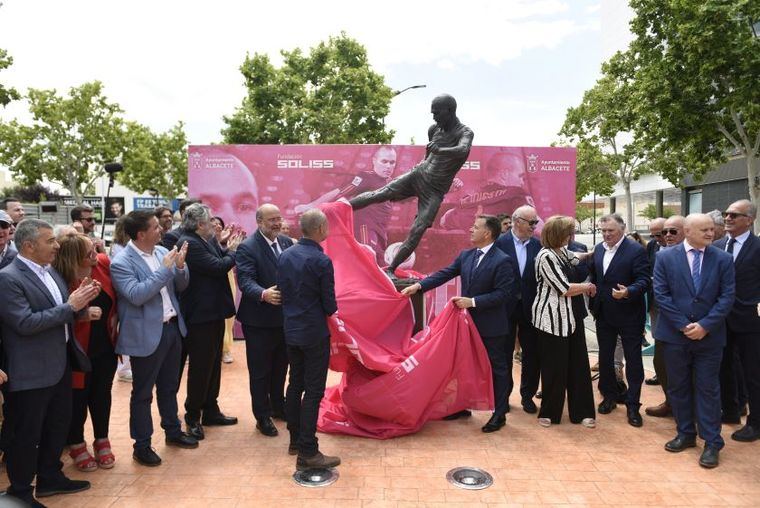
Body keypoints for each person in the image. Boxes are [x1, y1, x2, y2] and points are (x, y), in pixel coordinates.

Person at [0, 219, 100, 506]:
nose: (57, 245)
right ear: (29, 245)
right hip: (31, 371)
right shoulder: (9, 278)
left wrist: (80, 311)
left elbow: (58, 313)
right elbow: (25, 323)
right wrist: (72, 306)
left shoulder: (51, 272)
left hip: (59, 365)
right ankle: (20, 490)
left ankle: (50, 478)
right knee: (28, 433)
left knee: (57, 425)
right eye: (50, 241)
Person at [402, 215, 516, 432]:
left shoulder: (502, 260)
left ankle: (499, 414)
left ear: (487, 233)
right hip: (467, 326)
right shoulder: (466, 255)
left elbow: (504, 294)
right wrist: (419, 287)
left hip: (491, 326)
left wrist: (471, 302)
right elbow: (445, 273)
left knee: (497, 369)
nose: (470, 229)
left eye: (475, 227)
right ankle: (463, 405)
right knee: (464, 365)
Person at [350, 94, 474, 277]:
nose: (434, 117)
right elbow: (428, 156)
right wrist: (418, 173)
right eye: (432, 113)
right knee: (380, 193)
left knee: (418, 229)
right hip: (418, 174)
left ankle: (391, 269)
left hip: (434, 190)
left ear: (449, 111)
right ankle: (340, 208)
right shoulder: (434, 129)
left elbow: (462, 150)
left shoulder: (464, 133)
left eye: (437, 113)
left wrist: (441, 150)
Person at [111, 210, 199, 467]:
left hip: (172, 328)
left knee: (169, 387)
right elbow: (136, 295)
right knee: (142, 393)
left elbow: (180, 286)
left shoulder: (162, 252)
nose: (161, 230)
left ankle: (173, 431)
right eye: (155, 227)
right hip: (145, 335)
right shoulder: (122, 262)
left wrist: (180, 268)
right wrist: (165, 271)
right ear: (141, 234)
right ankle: (142, 445)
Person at [654, 213, 735, 468]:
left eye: (712, 229)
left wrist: (705, 326)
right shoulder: (664, 257)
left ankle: (712, 442)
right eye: (705, 230)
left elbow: (727, 296)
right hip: (675, 336)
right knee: (678, 387)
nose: (711, 233)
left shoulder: (723, 259)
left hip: (709, 338)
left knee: (708, 389)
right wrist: (683, 325)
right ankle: (686, 433)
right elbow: (661, 294)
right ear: (687, 231)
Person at [278, 208, 340, 470]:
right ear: (320, 229)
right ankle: (308, 451)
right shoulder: (321, 260)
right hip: (314, 332)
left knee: (295, 385)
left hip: (291, 329)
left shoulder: (285, 255)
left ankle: (295, 440)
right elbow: (329, 305)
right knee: (313, 391)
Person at [52, 233, 119, 472]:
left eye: (94, 248)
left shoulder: (103, 263)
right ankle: (77, 443)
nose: (95, 253)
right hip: (77, 350)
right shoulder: (60, 277)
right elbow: (55, 313)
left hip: (106, 346)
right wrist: (81, 315)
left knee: (102, 395)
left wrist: (117, 316)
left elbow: (117, 296)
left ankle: (102, 439)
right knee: (78, 399)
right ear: (73, 257)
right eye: (88, 252)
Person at [177, 204, 242, 441]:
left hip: (213, 312)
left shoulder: (206, 240)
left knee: (213, 364)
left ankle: (210, 409)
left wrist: (227, 251)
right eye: (209, 222)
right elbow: (218, 266)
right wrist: (233, 251)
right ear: (199, 224)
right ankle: (193, 415)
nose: (214, 225)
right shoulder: (190, 243)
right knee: (201, 367)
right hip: (200, 315)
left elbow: (221, 258)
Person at [531, 216, 596, 428]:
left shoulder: (561, 252)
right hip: (551, 320)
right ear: (559, 234)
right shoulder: (545, 257)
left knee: (579, 366)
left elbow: (576, 258)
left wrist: (595, 253)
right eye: (569, 233)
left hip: (572, 319)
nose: (572, 236)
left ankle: (583, 412)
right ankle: (549, 412)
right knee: (554, 367)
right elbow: (564, 288)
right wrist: (587, 287)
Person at [236, 204, 294, 437]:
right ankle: (262, 417)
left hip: (284, 320)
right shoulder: (247, 248)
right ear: (259, 222)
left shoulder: (287, 243)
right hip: (258, 321)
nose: (277, 223)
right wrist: (263, 293)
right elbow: (245, 280)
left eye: (279, 219)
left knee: (281, 367)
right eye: (272, 220)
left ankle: (278, 408)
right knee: (260, 372)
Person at [588, 213, 650, 427]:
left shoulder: (636, 251)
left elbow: (644, 280)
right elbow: (594, 275)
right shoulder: (598, 249)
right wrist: (591, 290)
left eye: (610, 231)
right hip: (604, 313)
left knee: (633, 361)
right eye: (603, 231)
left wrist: (628, 292)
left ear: (622, 229)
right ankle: (609, 397)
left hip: (630, 314)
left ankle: (633, 405)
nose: (606, 235)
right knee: (604, 358)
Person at [295, 146, 397, 264]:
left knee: (379, 264)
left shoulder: (391, 182)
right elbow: (340, 192)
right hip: (366, 228)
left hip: (381, 231)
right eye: (384, 161)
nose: (388, 166)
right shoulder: (366, 177)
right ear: (374, 160)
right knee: (367, 260)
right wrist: (311, 205)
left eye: (392, 162)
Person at [715, 199, 759, 441]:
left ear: (749, 220)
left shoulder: (758, 247)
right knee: (723, 367)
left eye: (734, 215)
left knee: (753, 373)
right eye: (726, 213)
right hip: (720, 320)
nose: (728, 218)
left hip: (750, 321)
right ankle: (730, 411)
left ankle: (756, 422)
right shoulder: (718, 245)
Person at [494, 205, 542, 413]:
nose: (534, 226)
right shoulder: (499, 243)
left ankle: (528, 396)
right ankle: (502, 398)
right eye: (531, 222)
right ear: (517, 221)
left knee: (531, 354)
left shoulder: (539, 247)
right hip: (504, 307)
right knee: (503, 354)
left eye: (535, 222)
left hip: (531, 309)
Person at [645, 215, 685, 416]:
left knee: (687, 368)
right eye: (662, 233)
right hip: (662, 315)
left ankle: (687, 410)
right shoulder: (657, 251)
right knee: (660, 361)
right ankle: (671, 402)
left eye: (671, 232)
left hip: (691, 322)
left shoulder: (703, 255)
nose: (665, 237)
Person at [210, 216, 237, 364]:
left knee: (229, 316)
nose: (217, 226)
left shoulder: (227, 243)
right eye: (213, 224)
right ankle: (218, 348)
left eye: (219, 224)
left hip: (228, 278)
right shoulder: (207, 243)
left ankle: (226, 349)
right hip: (215, 280)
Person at [644, 217, 666, 387]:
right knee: (658, 338)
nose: (657, 238)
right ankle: (661, 374)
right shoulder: (652, 246)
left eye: (659, 234)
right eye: (653, 235)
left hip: (676, 306)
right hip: (656, 302)